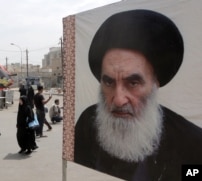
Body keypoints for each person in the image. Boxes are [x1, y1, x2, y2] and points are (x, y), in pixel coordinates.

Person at [74, 9, 202, 181]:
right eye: (109, 82)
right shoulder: (87, 124)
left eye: (133, 83)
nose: (118, 100)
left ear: (155, 83)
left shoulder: (192, 143)